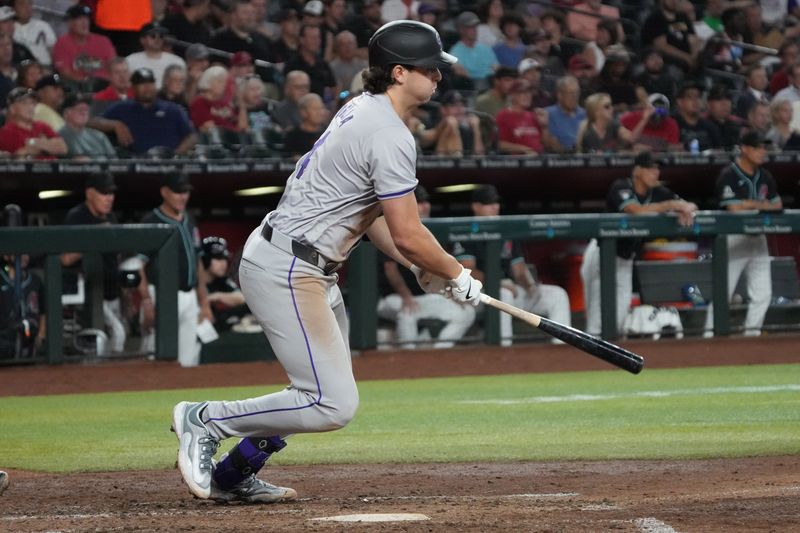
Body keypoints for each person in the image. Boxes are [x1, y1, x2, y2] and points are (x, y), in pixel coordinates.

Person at [171, 20, 482, 504]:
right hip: (289, 268)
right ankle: (204, 419)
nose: (438, 78)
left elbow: (375, 219)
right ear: (399, 72)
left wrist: (426, 268)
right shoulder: (389, 134)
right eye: (430, 69)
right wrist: (454, 272)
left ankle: (234, 473)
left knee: (314, 389)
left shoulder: (364, 108)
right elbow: (408, 231)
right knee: (332, 403)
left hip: (301, 263)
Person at [580, 151, 697, 336]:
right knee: (597, 316)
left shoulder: (659, 192)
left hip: (626, 258)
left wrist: (685, 209)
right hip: (602, 254)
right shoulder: (620, 186)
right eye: (650, 169)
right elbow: (634, 210)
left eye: (657, 169)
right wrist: (670, 206)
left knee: (619, 317)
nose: (655, 173)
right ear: (637, 171)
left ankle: (611, 356)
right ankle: (588, 359)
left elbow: (688, 205)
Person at [454, 184, 571, 346]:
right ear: (476, 206)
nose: (494, 207)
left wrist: (530, 286)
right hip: (480, 295)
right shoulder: (466, 231)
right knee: (503, 294)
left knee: (556, 294)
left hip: (511, 290)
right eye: (488, 203)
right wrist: (497, 283)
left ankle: (561, 347)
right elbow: (468, 271)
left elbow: (519, 269)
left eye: (496, 202)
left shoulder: (505, 230)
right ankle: (503, 348)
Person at [702, 131, 782, 338]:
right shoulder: (729, 174)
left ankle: (751, 337)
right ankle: (709, 338)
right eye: (757, 147)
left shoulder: (765, 175)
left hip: (758, 239)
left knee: (763, 294)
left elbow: (778, 204)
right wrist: (760, 205)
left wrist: (750, 204)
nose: (762, 151)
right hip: (733, 237)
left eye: (764, 147)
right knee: (723, 293)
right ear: (744, 149)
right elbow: (734, 209)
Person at [377, 186, 476, 348]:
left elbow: (440, 268)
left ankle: (436, 353)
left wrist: (451, 293)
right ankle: (409, 358)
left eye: (426, 202)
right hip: (393, 298)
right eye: (419, 202)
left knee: (465, 313)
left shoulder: (432, 232)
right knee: (407, 314)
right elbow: (391, 270)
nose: (424, 206)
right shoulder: (392, 229)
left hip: (425, 296)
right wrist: (406, 297)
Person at [138, 173, 212, 366]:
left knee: (187, 360)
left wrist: (204, 302)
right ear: (164, 192)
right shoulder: (150, 221)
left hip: (189, 296)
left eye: (185, 192)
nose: (183, 196)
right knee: (155, 356)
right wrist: (146, 301)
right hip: (161, 295)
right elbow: (138, 265)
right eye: (178, 192)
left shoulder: (189, 219)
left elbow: (197, 263)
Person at [61, 172, 126, 353]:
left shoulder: (111, 218)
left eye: (111, 193)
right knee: (108, 341)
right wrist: (95, 237)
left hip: (112, 294)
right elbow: (65, 258)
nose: (109, 198)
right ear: (90, 193)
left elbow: (116, 258)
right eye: (104, 193)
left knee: (112, 347)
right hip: (89, 298)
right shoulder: (76, 217)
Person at [100, 67, 196, 156]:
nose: (147, 88)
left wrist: (176, 155)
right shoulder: (122, 107)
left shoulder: (172, 109)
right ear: (133, 87)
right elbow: (91, 122)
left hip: (168, 165)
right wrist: (115, 124)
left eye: (150, 83)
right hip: (132, 165)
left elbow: (191, 136)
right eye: (142, 84)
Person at [52, 4, 117, 87]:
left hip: (105, 86)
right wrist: (86, 82)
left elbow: (114, 65)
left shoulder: (103, 41)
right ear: (69, 23)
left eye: (86, 18)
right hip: (77, 87)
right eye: (79, 19)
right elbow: (64, 72)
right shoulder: (62, 43)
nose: (84, 22)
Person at [0, 87, 67, 159]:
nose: (30, 107)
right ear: (12, 108)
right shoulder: (6, 132)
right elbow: (15, 160)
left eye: (32, 103)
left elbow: (63, 148)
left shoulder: (42, 126)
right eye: (24, 103)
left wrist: (34, 143)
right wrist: (47, 144)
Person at [576, 92, 650, 153]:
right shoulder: (587, 131)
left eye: (611, 105)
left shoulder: (614, 125)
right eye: (607, 106)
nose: (612, 108)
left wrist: (644, 119)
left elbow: (631, 138)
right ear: (596, 111)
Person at [202, 236, 249, 331]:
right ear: (205, 260)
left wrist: (217, 296)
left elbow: (242, 298)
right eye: (218, 258)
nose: (223, 263)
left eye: (225, 258)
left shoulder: (221, 280)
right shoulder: (191, 281)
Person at [125, 22, 186, 89]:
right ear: (142, 40)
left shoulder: (177, 61)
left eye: (161, 36)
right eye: (153, 36)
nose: (158, 39)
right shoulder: (130, 60)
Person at [448, 11, 498, 92]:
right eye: (470, 27)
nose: (474, 30)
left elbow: (496, 68)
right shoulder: (455, 52)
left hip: (490, 87)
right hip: (471, 90)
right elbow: (461, 72)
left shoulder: (486, 49)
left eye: (475, 26)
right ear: (461, 29)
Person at [59, 93, 117, 159]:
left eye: (86, 110)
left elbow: (115, 161)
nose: (84, 113)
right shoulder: (59, 136)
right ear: (66, 113)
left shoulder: (99, 135)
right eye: (80, 109)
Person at [495, 79, 545, 155]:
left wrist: (545, 126)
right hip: (518, 162)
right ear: (513, 95)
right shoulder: (503, 115)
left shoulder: (533, 116)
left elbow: (545, 143)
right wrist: (524, 149)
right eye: (522, 92)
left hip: (539, 160)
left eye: (529, 92)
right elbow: (498, 144)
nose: (527, 96)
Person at [543, 75, 585, 153]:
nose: (575, 96)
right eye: (571, 93)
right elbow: (552, 144)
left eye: (577, 92)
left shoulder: (585, 114)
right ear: (560, 95)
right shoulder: (548, 114)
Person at [281, 92, 329, 158]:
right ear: (303, 112)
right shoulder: (292, 136)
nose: (320, 112)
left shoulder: (328, 134)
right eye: (315, 109)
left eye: (321, 108)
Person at [12, 0, 57, 66]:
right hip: (19, 69)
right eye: (22, 4)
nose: (27, 7)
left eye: (30, 4)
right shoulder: (9, 28)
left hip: (45, 68)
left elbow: (54, 50)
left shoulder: (43, 25)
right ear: (13, 9)